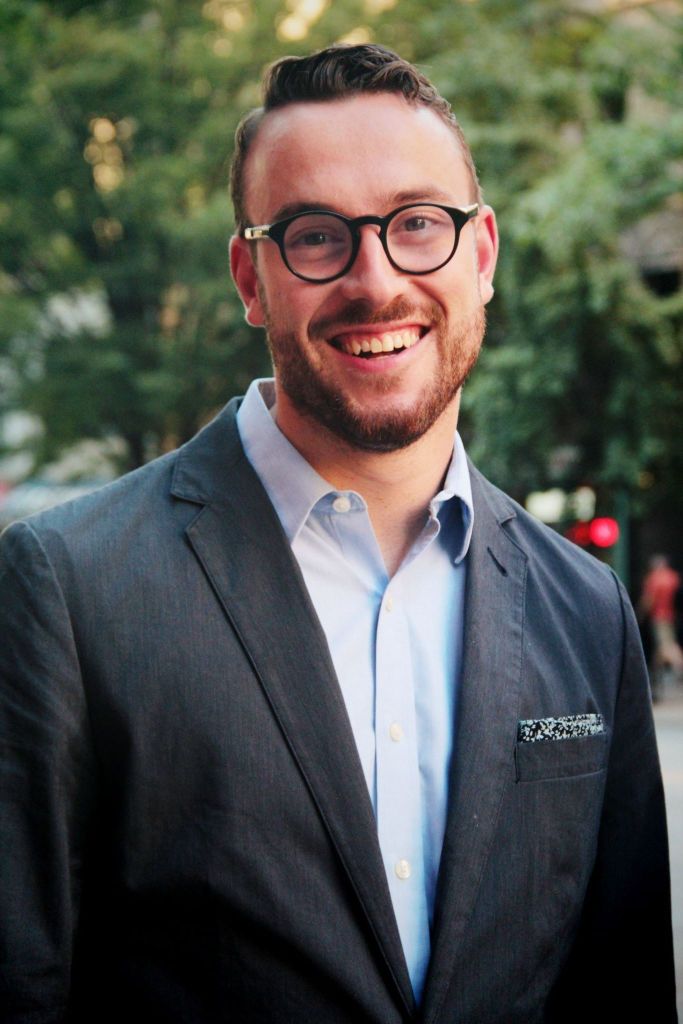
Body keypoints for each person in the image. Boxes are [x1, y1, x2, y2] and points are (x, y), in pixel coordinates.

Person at [0, 44, 677, 1024]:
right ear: (249, 274)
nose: (375, 279)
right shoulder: (67, 589)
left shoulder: (584, 607)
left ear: (479, 255)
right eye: (316, 235)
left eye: (416, 224)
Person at [639, 554, 683, 685]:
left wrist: (639, 614)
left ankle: (678, 668)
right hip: (672, 615)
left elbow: (649, 600)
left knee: (667, 646)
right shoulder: (673, 577)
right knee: (660, 647)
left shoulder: (655, 578)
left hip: (660, 617)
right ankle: (653, 676)